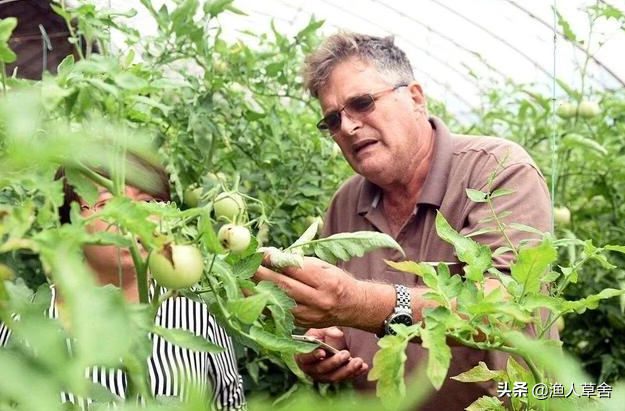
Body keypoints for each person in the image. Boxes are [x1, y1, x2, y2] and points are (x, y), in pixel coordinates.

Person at [254, 32, 553, 410]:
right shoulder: (346, 203)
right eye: (332, 119)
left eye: (362, 103)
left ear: (414, 97)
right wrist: (325, 343)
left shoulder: (497, 171)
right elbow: (339, 318)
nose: (347, 127)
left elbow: (503, 312)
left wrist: (352, 301)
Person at [0, 159, 246, 411]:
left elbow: (229, 404)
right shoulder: (27, 323)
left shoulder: (198, 316)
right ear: (70, 220)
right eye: (107, 204)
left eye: (147, 202)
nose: (130, 220)